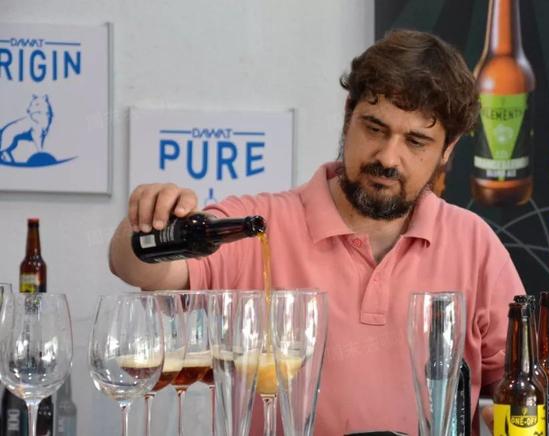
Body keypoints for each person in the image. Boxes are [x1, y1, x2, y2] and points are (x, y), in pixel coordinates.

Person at [109, 29, 523, 435]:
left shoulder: (474, 243)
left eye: (415, 141)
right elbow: (138, 266)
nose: (387, 157)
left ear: (448, 149)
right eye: (374, 128)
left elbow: (517, 384)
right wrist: (148, 219)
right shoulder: (259, 224)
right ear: (348, 115)